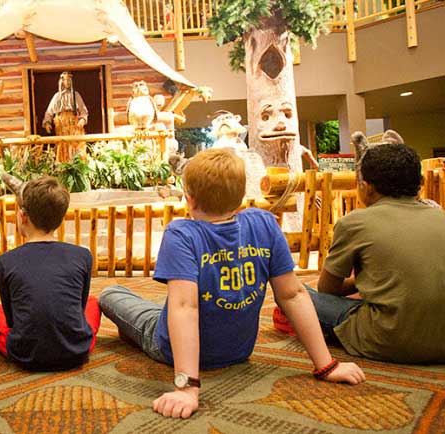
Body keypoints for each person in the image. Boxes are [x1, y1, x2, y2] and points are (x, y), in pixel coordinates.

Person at [99, 149, 365, 419]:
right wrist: (327, 365)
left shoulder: (181, 233)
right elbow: (294, 295)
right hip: (239, 350)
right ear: (240, 198)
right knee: (167, 304)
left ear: (189, 200)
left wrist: (187, 388)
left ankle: (136, 328)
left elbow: (185, 307)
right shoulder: (263, 223)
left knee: (111, 294)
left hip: (168, 347)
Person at [310, 143, 445, 363]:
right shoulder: (441, 218)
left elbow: (327, 289)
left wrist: (360, 282)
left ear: (367, 187)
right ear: (420, 184)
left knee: (298, 295)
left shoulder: (354, 222)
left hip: (388, 339)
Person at [0, 175, 101, 370]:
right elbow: (79, 306)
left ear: (22, 216)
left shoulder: (5, 261)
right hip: (76, 350)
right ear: (61, 219)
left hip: (25, 354)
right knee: (93, 303)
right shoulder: (83, 256)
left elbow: (11, 320)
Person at [42, 71, 89, 162]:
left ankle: (78, 165)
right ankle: (64, 165)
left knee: (75, 145)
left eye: (68, 80)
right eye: (65, 80)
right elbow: (49, 111)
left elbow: (83, 110)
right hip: (62, 125)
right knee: (63, 145)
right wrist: (47, 122)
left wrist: (83, 119)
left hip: (74, 124)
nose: (67, 82)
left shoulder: (76, 95)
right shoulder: (57, 96)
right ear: (61, 82)